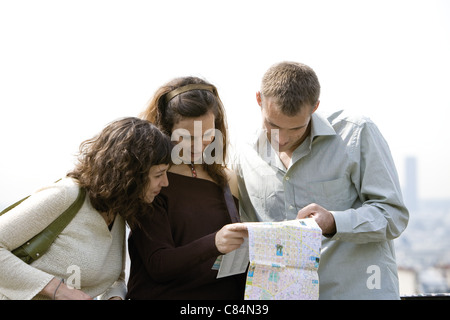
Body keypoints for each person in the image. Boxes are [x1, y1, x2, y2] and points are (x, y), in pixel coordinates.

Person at [233, 61, 409, 299]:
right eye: (272, 125)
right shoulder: (244, 153)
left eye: (295, 128)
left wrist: (334, 222)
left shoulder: (356, 133)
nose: (282, 139)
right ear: (258, 100)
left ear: (315, 107)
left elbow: (393, 215)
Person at [0, 117, 172, 300]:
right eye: (158, 175)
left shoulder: (118, 210)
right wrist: (59, 290)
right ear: (129, 173)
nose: (165, 182)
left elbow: (115, 279)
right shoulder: (67, 194)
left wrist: (115, 297)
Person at [126, 77, 248, 300]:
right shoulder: (151, 179)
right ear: (166, 129)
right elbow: (158, 264)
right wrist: (214, 243)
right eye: (187, 137)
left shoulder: (227, 180)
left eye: (207, 136)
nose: (198, 145)